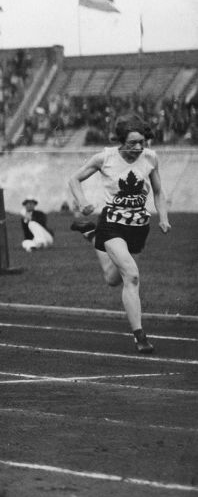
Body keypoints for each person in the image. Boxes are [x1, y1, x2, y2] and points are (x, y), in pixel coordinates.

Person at [67, 114, 171, 354]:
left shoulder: (151, 158)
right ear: (120, 141)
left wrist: (163, 217)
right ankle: (140, 336)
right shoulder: (105, 158)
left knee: (113, 279)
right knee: (132, 276)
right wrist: (82, 201)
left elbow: (158, 191)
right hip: (112, 224)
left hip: (138, 227)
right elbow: (74, 179)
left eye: (141, 143)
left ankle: (92, 235)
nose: (137, 148)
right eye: (132, 143)